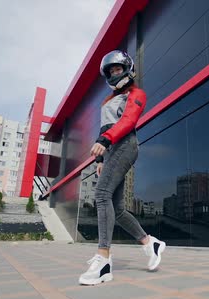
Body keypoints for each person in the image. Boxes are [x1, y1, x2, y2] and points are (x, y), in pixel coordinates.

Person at [79, 50, 166, 286]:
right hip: (112, 150)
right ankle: (150, 243)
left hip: (125, 146)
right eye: (111, 71)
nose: (114, 74)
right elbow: (103, 128)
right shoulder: (107, 100)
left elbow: (128, 121)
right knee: (116, 209)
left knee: (101, 194)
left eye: (117, 69)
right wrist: (100, 159)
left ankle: (104, 259)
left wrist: (106, 141)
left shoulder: (136, 94)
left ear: (127, 69)